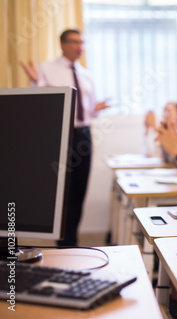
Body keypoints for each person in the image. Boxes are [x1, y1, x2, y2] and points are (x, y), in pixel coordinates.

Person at [19, 29, 110, 247]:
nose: (80, 47)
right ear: (62, 44)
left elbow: (89, 111)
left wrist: (97, 108)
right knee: (61, 194)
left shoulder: (86, 74)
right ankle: (61, 242)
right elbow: (41, 102)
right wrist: (35, 82)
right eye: (75, 42)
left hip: (83, 136)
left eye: (82, 42)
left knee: (79, 191)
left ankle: (71, 242)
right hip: (60, 135)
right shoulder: (46, 69)